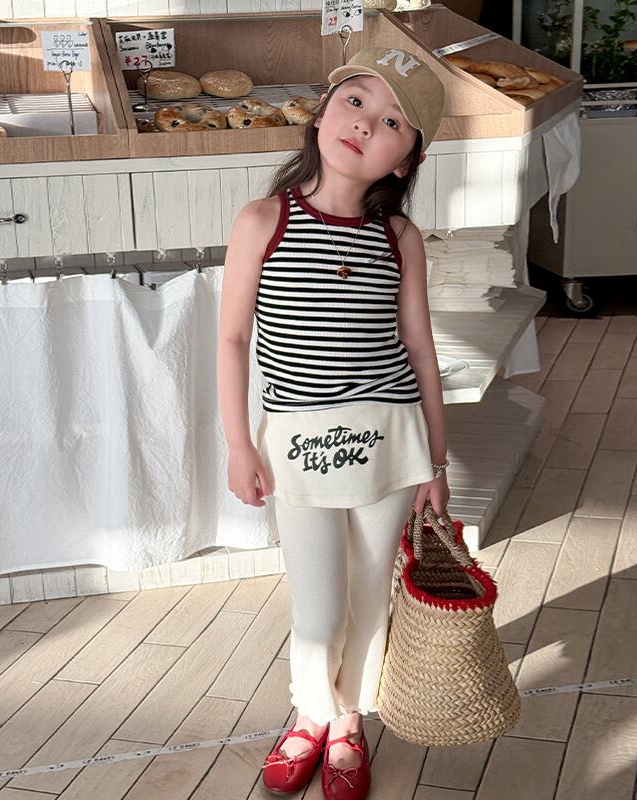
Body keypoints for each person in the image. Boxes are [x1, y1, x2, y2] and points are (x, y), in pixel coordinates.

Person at [217, 46, 449, 800]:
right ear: (321, 111)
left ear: (405, 160)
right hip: (299, 444)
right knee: (318, 601)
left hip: (390, 439)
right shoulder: (264, 220)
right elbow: (232, 339)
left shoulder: (398, 237)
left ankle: (345, 719)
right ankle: (312, 709)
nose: (366, 124)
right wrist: (239, 444)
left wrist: (436, 463)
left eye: (393, 122)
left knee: (369, 591)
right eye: (356, 101)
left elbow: (420, 349)